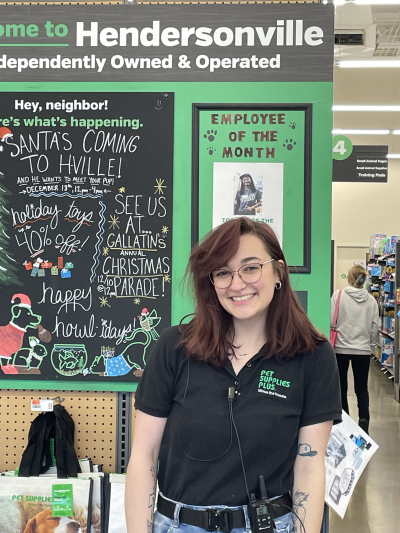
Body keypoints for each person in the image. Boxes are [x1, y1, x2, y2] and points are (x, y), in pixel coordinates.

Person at [126, 217, 341, 533]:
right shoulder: (173, 348)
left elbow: (309, 465)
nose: (237, 284)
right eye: (223, 272)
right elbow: (144, 455)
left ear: (278, 272)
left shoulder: (313, 355)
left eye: (251, 268)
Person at [331, 264, 379, 435]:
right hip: (362, 350)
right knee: (362, 388)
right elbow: (374, 326)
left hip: (340, 349)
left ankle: (344, 422)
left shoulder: (338, 295)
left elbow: (331, 319)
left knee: (341, 387)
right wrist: (369, 343)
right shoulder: (371, 301)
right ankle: (364, 419)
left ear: (350, 278)